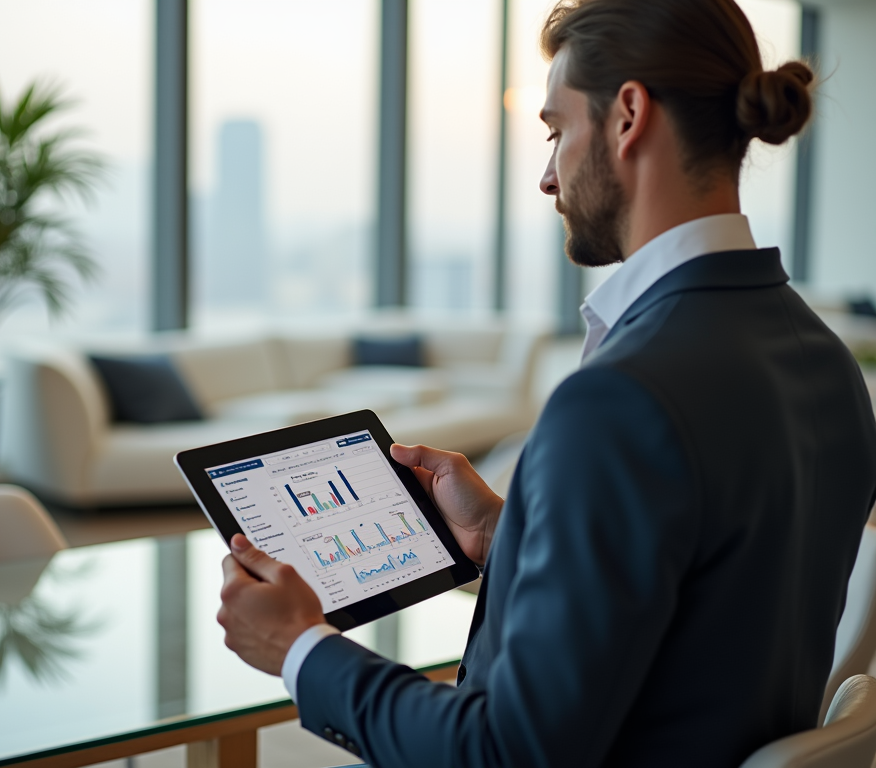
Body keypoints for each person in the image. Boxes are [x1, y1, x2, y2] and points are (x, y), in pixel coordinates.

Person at [216, 0, 876, 765]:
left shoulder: (623, 397)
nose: (544, 175)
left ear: (629, 116)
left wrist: (301, 648)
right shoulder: (826, 361)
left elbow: (507, 752)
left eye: (557, 130)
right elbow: (710, 597)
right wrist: (510, 534)